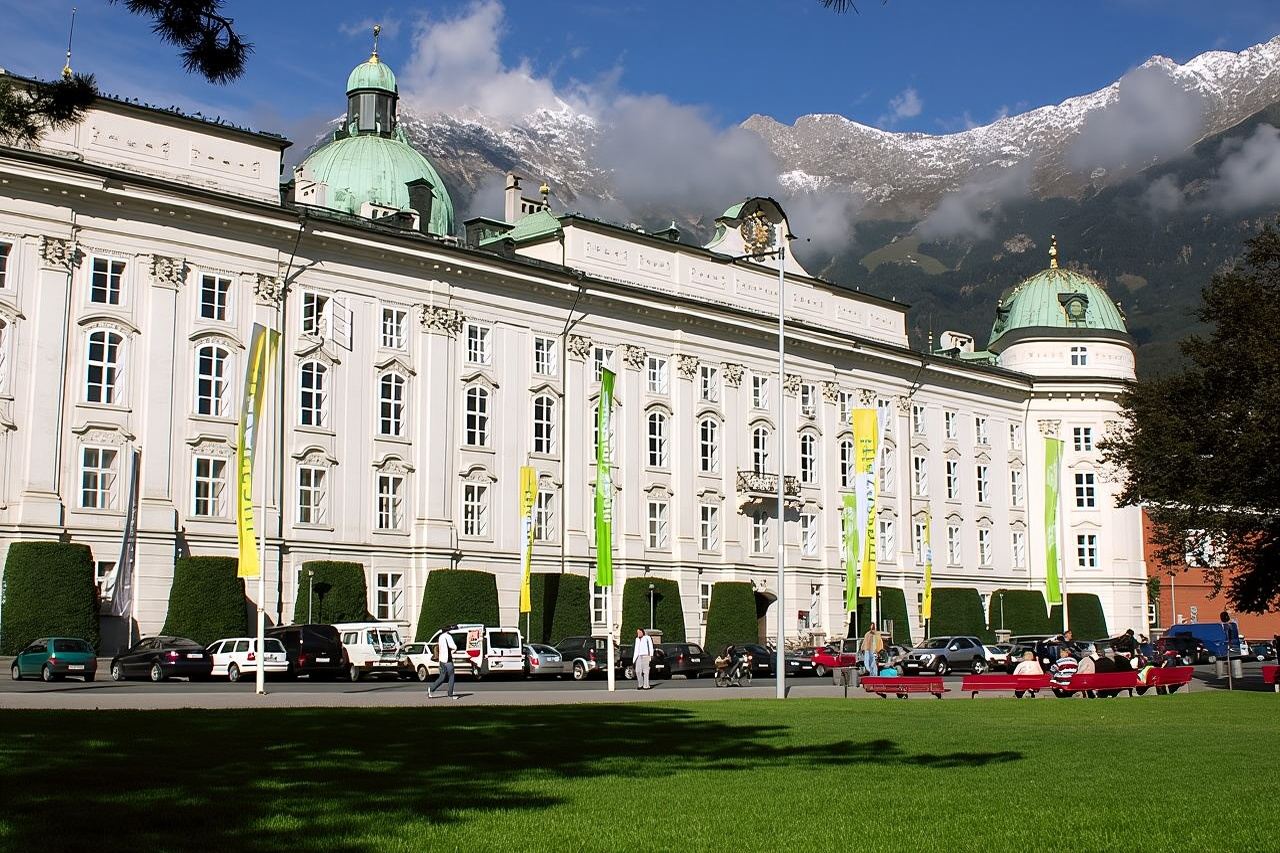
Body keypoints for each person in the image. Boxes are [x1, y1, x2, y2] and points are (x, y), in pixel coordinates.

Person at [426, 625, 459, 700]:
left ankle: (431, 689)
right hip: (448, 660)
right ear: (448, 631)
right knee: (451, 676)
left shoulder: (440, 637)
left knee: (442, 677)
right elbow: (454, 647)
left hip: (441, 660)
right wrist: (452, 652)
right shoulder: (448, 636)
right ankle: (450, 694)